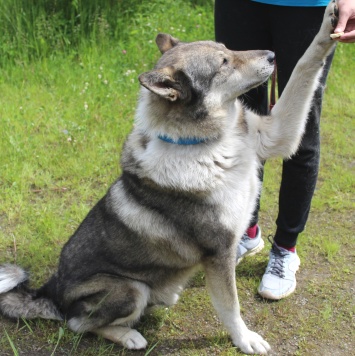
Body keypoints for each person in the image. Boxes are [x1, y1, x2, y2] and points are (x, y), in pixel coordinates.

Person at [215, 0, 355, 300]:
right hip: (240, 5)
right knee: (240, 123)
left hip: (306, 5)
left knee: (301, 128)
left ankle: (285, 248)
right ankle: (247, 231)